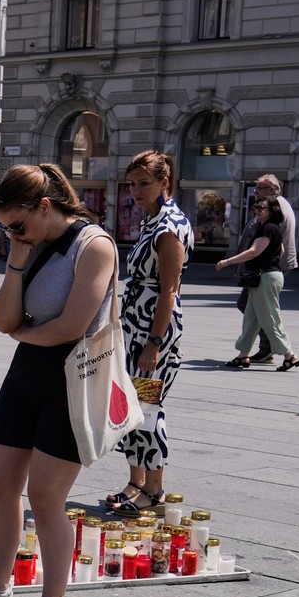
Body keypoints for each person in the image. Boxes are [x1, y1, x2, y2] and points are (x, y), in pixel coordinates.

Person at [0, 164, 117, 597]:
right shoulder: (29, 244)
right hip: (26, 372)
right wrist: (17, 260)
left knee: (45, 497)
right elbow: (3, 319)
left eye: (18, 225)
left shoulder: (94, 246)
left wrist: (23, 332)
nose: (13, 235)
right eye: (5, 229)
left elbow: (71, 327)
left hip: (75, 377)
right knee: (0, 485)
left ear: (45, 205)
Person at [101, 151, 192, 515]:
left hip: (154, 331)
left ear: (163, 182)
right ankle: (136, 482)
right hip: (136, 327)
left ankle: (154, 492)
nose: (136, 191)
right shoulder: (151, 220)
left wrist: (153, 344)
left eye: (144, 183)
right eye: (132, 184)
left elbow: (169, 291)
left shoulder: (169, 226)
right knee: (131, 406)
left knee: (148, 407)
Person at [215, 196, 299, 371]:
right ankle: (243, 355)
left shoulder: (268, 228)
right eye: (257, 207)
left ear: (271, 211)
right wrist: (271, 260)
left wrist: (228, 261)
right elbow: (281, 249)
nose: (258, 210)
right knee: (251, 318)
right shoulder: (273, 228)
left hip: (265, 278)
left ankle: (289, 355)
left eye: (262, 208)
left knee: (270, 318)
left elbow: (254, 251)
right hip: (267, 276)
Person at [232, 175, 299, 362]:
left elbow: (263, 246)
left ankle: (277, 349)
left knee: (259, 309)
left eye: (259, 189)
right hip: (268, 268)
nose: (256, 193)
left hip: (265, 269)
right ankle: (248, 353)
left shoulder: (273, 209)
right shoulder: (275, 206)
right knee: (253, 309)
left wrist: (229, 261)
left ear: (271, 189)